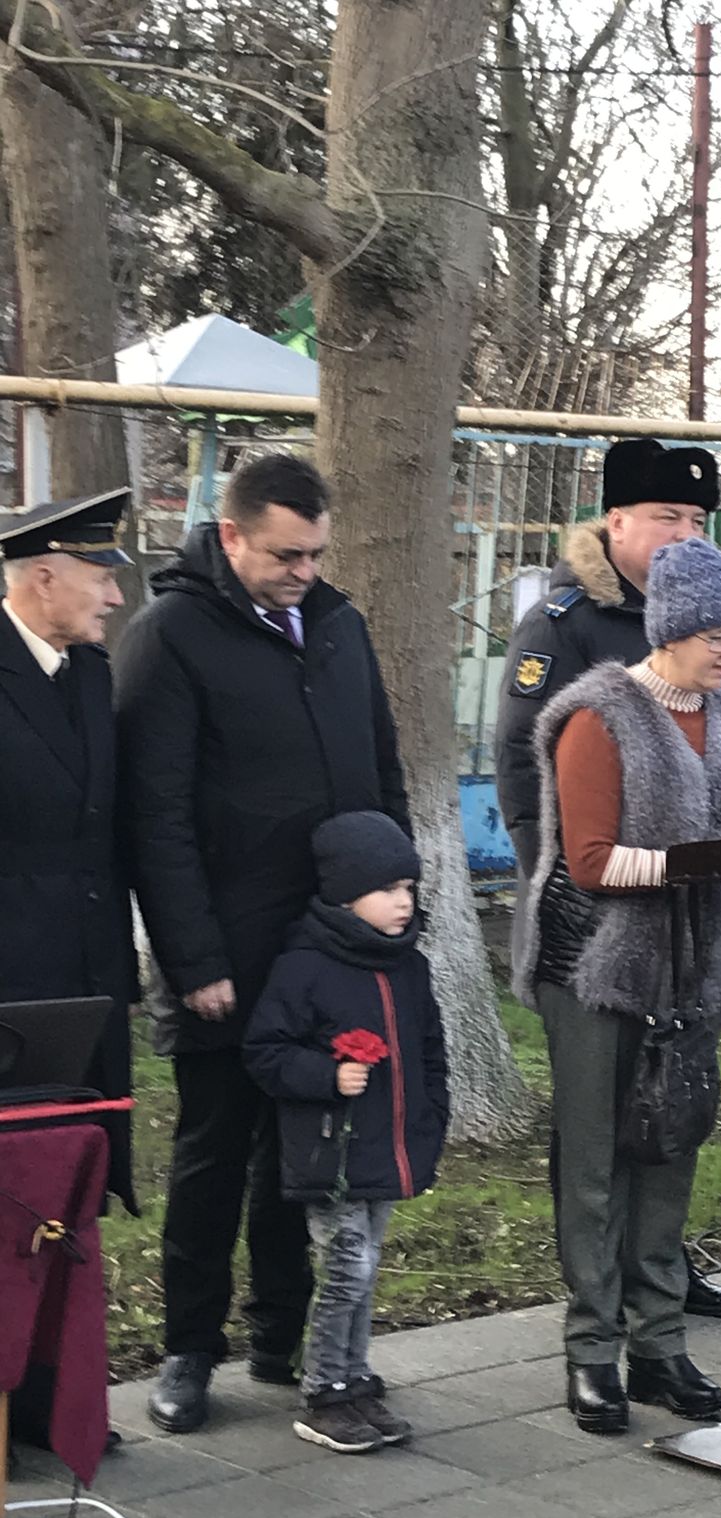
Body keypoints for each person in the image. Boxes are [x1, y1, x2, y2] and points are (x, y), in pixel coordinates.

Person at [115, 453, 412, 1433]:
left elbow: (380, 772)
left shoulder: (337, 625)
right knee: (214, 1152)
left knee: (307, 1152)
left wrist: (395, 897)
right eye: (286, 554)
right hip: (227, 952)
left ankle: (283, 1335)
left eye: (315, 554)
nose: (303, 571)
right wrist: (192, 961)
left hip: (329, 952)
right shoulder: (170, 637)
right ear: (231, 535)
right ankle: (190, 1350)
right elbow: (153, 816)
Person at [497, 437, 721, 1319]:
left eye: (698, 519)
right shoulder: (568, 625)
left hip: (692, 935)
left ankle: (660, 1295)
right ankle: (599, 1315)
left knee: (668, 1116)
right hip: (597, 926)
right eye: (666, 517)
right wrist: (571, 888)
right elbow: (525, 771)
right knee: (597, 1137)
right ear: (615, 521)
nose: (684, 534)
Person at [0, 488, 138, 1455]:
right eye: (102, 576)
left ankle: (55, 1396)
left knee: (67, 1195)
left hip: (85, 980)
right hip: (10, 982)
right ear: (43, 576)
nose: (116, 598)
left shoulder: (89, 673)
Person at [243, 811, 448, 1453]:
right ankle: (324, 1389)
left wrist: (429, 1120)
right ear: (343, 894)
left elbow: (430, 1050)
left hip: (386, 1151)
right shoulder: (304, 968)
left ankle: (356, 1377)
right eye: (387, 889)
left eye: (409, 889)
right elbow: (265, 1050)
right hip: (329, 1153)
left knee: (367, 1264)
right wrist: (328, 1076)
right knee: (345, 1269)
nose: (402, 902)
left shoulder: (407, 967)